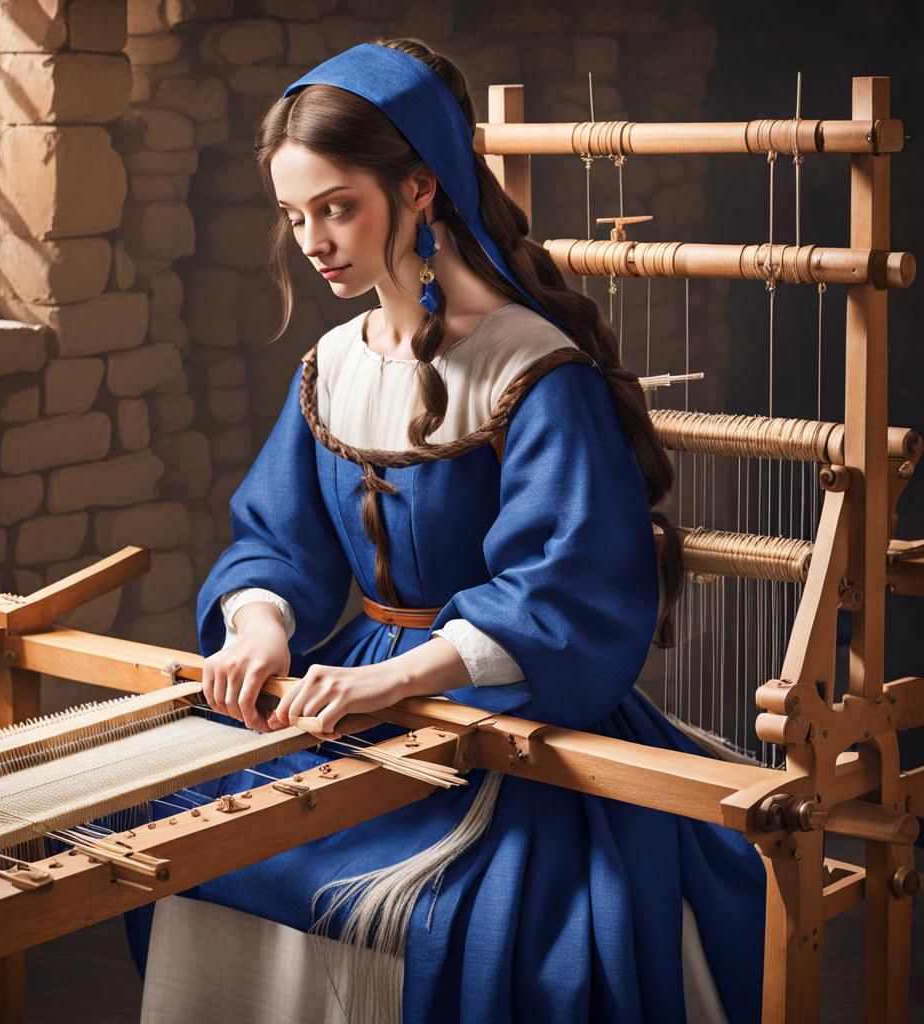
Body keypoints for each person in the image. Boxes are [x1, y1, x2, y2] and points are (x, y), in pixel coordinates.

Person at [135, 37, 765, 1024]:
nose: (312, 240)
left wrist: (399, 675)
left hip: (504, 703)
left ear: (419, 187)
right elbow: (279, 534)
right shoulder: (333, 362)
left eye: (337, 206)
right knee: (180, 824)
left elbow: (569, 585)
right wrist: (261, 622)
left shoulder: (533, 372)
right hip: (351, 687)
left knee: (481, 919)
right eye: (294, 215)